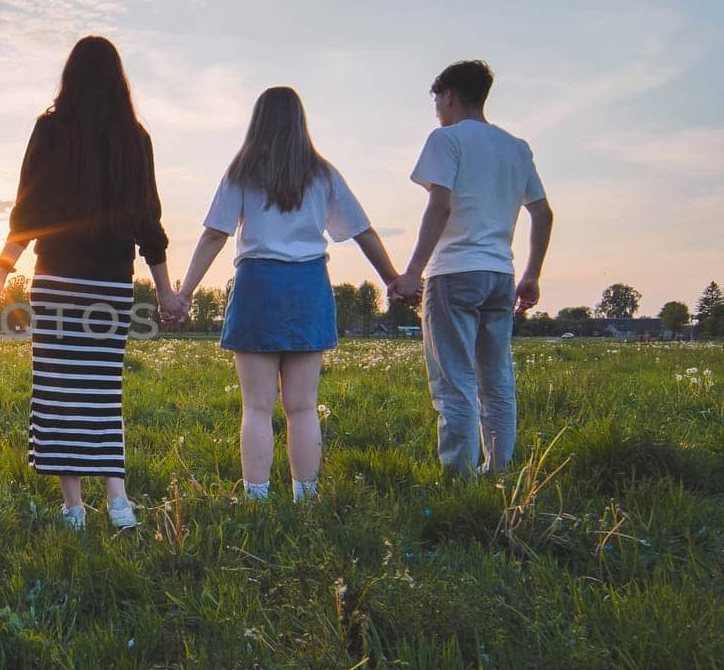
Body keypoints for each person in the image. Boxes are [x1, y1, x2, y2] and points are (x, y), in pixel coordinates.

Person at [0, 36, 182, 531]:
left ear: (68, 78)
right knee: (102, 391)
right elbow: (148, 222)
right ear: (119, 82)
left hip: (57, 282)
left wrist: (0, 272)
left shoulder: (50, 131)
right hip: (110, 286)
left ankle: (74, 510)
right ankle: (118, 499)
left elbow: (27, 210)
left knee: (58, 390)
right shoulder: (136, 139)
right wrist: (165, 289)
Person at [173, 87, 399, 501]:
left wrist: (185, 291)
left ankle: (257, 502)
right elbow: (362, 230)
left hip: (259, 284)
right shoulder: (323, 172)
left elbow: (213, 235)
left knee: (257, 407)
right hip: (308, 287)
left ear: (256, 121)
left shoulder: (241, 171)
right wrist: (392, 278)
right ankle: (305, 498)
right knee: (303, 406)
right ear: (301, 121)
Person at [387, 61, 553, 478]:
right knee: (496, 381)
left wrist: (412, 272)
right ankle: (497, 472)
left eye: (437, 100)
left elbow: (439, 204)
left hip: (455, 272)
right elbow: (543, 213)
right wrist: (532, 273)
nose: (437, 109)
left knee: (453, 381)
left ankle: (458, 480)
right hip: (501, 275)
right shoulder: (517, 147)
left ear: (450, 96)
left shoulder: (447, 140)